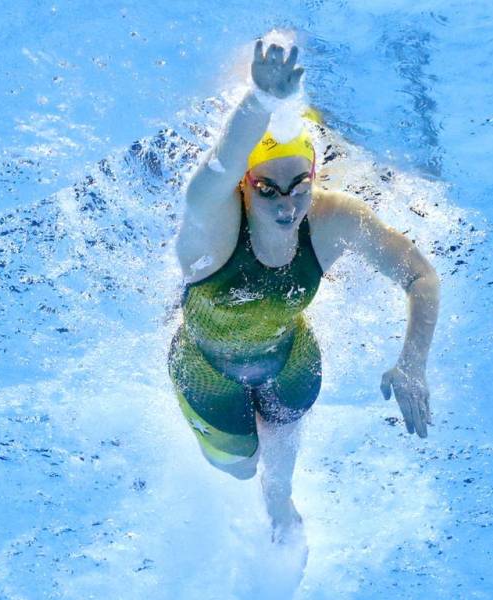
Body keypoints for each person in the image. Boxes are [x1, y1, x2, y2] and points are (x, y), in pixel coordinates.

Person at [168, 39, 440, 542]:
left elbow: (420, 275)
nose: (286, 203)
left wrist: (413, 361)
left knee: (280, 457)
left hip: (288, 355)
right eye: (267, 188)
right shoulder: (214, 223)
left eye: (299, 185)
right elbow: (217, 168)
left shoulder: (333, 220)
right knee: (241, 467)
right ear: (245, 186)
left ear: (315, 177)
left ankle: (281, 503)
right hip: (207, 368)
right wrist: (261, 101)